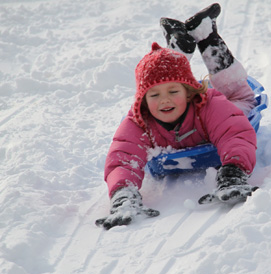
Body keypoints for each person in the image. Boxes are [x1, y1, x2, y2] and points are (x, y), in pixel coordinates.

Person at [96, 3, 258, 230]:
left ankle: (207, 37)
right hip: (194, 110)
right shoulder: (140, 120)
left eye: (174, 92)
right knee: (170, 77)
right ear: (142, 100)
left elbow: (235, 133)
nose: (164, 100)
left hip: (220, 111)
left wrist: (233, 171)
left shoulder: (209, 103)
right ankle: (180, 48)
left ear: (190, 92)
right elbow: (122, 156)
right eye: (154, 95)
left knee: (240, 100)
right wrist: (123, 195)